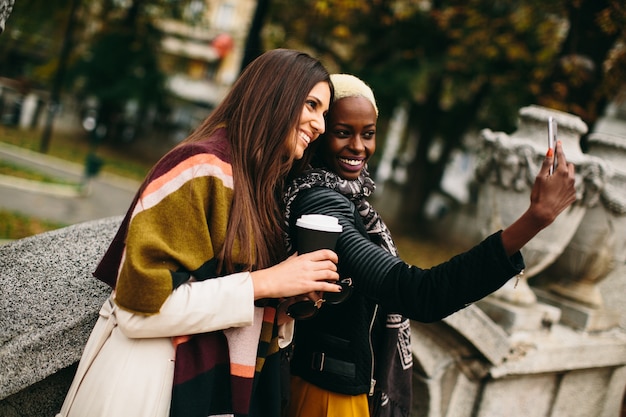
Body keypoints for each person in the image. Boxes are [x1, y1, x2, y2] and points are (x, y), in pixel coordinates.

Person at [56, 49, 343, 417]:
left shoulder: (261, 191)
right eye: (311, 105)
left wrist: (288, 299)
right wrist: (266, 283)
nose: (319, 125)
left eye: (324, 113)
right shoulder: (200, 169)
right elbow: (139, 310)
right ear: (274, 96)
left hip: (212, 389)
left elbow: (239, 302)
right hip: (149, 386)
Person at [282, 74, 577, 417]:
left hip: (342, 387)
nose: (359, 147)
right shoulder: (319, 203)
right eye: (343, 132)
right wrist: (534, 219)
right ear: (319, 134)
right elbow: (419, 293)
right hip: (325, 395)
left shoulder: (350, 199)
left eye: (369, 133)